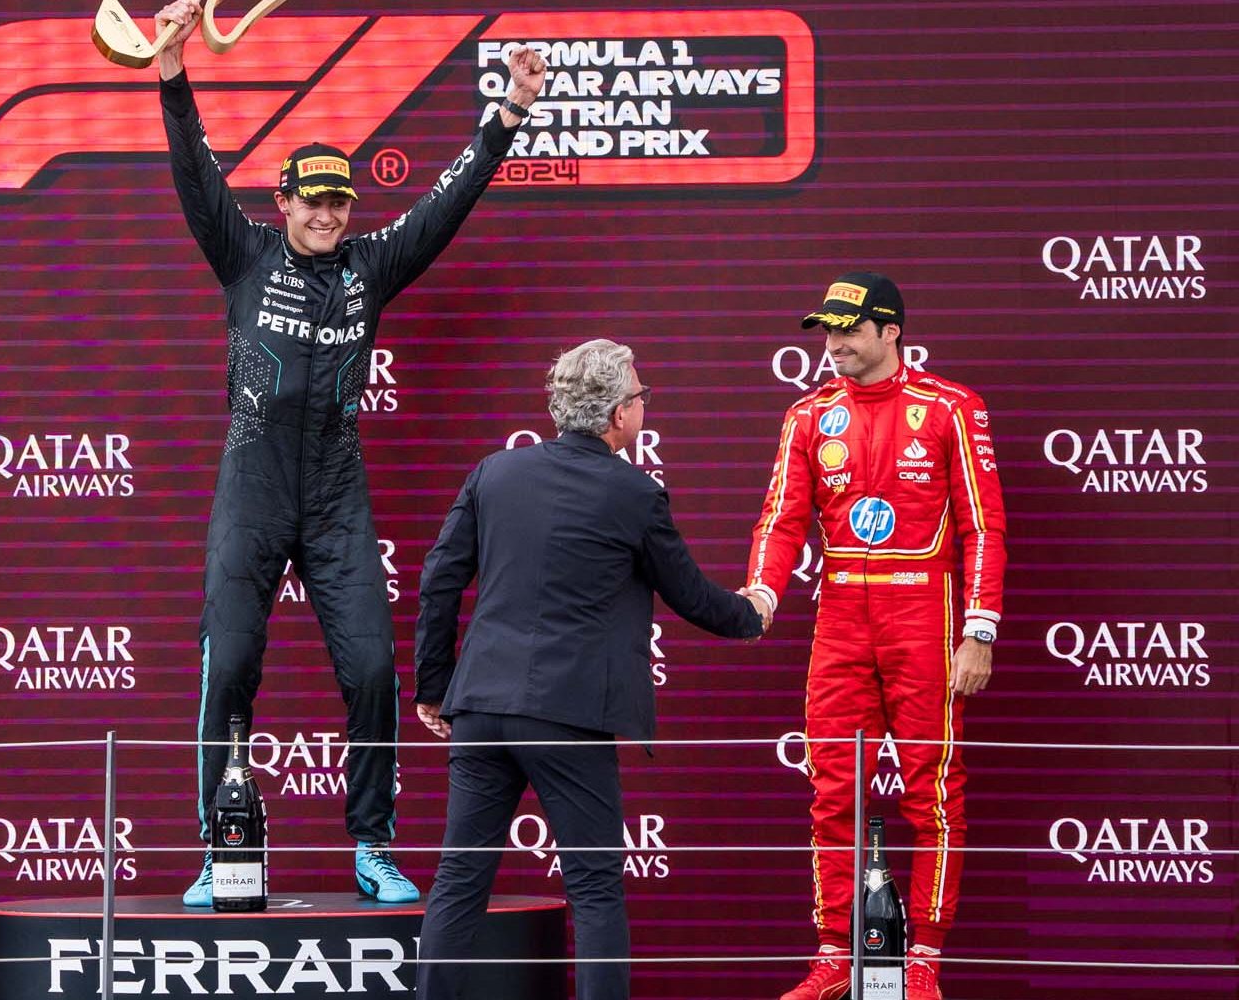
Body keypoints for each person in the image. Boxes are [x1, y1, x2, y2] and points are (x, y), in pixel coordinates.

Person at [150, 0, 549, 906]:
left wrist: (510, 113)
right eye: (314, 198)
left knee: (372, 668)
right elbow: (192, 172)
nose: (329, 213)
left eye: (340, 200)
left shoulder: (371, 267)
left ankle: (371, 844)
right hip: (251, 494)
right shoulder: (244, 253)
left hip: (335, 498)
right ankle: (223, 852)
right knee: (233, 664)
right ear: (284, 200)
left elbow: (447, 205)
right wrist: (173, 75)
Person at [413, 339, 768, 1000]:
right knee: (596, 889)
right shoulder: (634, 491)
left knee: (460, 879)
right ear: (616, 416)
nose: (644, 407)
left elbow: (438, 582)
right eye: (640, 398)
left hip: (482, 706)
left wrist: (433, 687)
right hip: (569, 715)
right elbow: (689, 595)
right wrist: (754, 612)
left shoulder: (494, 473)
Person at [748, 273, 1005, 1000]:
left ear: (891, 331)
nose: (832, 344)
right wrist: (763, 590)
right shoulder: (808, 416)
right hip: (839, 622)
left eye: (848, 329)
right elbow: (779, 520)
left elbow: (985, 526)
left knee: (932, 793)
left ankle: (922, 956)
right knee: (834, 792)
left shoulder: (953, 407)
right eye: (826, 330)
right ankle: (834, 953)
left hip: (926, 619)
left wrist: (978, 629)